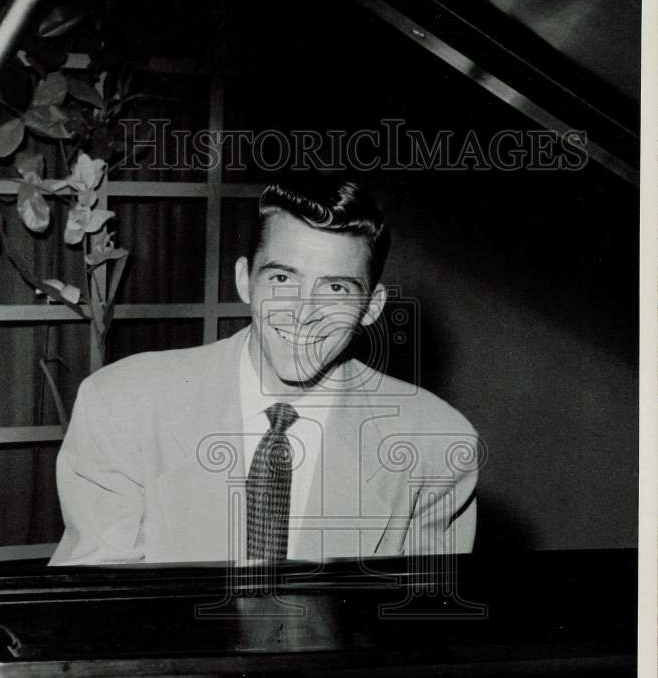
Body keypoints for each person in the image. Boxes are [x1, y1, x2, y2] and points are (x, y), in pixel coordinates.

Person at [50, 175, 480, 566]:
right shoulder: (123, 404)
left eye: (335, 287)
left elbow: (421, 636)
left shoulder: (436, 446)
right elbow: (98, 620)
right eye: (281, 279)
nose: (303, 313)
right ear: (244, 281)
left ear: (371, 307)